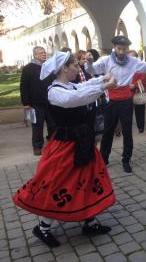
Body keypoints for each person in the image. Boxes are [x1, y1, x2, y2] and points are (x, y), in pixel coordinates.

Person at [13, 51, 118, 247]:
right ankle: (43, 228)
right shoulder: (55, 91)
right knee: (60, 185)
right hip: (65, 146)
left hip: (81, 141)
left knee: (86, 180)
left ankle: (89, 221)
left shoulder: (68, 85)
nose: (78, 69)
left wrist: (101, 78)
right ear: (64, 68)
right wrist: (104, 86)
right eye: (75, 66)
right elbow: (76, 98)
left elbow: (82, 87)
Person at [85, 35, 146, 173]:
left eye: (124, 49)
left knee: (127, 131)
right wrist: (89, 63)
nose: (121, 52)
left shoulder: (132, 61)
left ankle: (126, 160)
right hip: (111, 101)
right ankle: (104, 159)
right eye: (119, 49)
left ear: (127, 49)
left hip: (126, 101)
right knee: (108, 132)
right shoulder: (106, 60)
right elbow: (91, 70)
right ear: (114, 48)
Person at [20, 46, 56, 156]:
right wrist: (26, 103)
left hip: (50, 102)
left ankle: (54, 144)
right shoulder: (28, 68)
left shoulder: (48, 67)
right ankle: (37, 146)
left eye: (44, 52)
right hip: (36, 104)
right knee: (37, 126)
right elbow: (24, 86)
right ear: (35, 55)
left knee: (53, 124)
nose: (44, 54)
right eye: (41, 53)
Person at [129, 50, 146, 133]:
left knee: (140, 111)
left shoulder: (140, 66)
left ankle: (141, 127)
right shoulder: (125, 66)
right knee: (128, 111)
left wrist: (134, 85)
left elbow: (142, 79)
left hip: (139, 91)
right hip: (128, 92)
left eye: (132, 56)